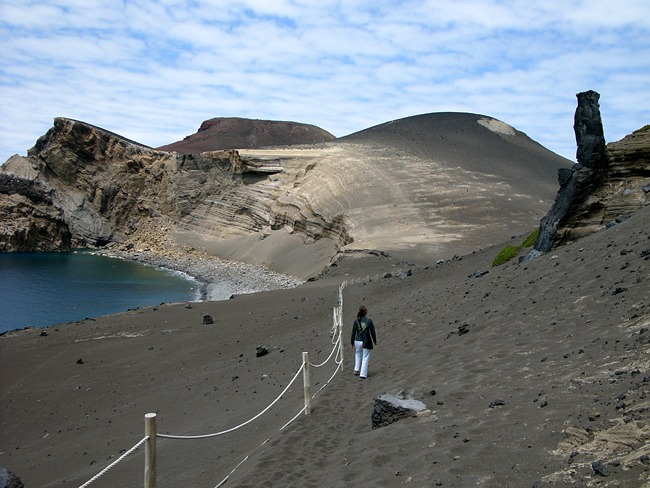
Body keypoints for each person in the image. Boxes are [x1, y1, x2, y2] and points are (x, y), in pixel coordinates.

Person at [350, 305, 377, 379]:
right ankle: (363, 374)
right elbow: (372, 332)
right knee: (365, 356)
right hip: (366, 341)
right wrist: (375, 341)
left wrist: (352, 342)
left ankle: (356, 369)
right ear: (365, 312)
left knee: (358, 354)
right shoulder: (369, 321)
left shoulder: (356, 321)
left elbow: (353, 332)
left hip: (357, 340)